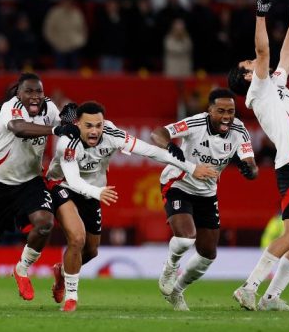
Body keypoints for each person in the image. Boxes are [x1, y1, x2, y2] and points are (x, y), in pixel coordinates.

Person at [45, 101, 214, 311]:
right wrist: (98, 192)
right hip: (64, 185)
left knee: (90, 250)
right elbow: (74, 180)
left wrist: (190, 167)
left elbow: (149, 151)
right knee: (77, 238)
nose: (95, 130)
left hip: (93, 191)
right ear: (78, 124)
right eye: (89, 126)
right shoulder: (67, 143)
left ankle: (62, 272)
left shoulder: (112, 133)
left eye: (98, 125)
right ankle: (71, 298)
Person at [227, 0, 289, 311]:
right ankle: (249, 287)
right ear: (245, 77)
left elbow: (286, 55)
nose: (254, 62)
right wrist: (260, 16)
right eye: (249, 64)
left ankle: (271, 297)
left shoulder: (274, 83)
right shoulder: (257, 89)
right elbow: (265, 52)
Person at [0, 72, 80, 310]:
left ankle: (21, 269)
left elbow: (65, 124)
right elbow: (19, 129)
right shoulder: (10, 109)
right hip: (0, 183)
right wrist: (54, 130)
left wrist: (71, 120)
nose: (34, 96)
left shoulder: (49, 108)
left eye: (39, 91)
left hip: (30, 180)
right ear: (18, 93)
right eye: (29, 91)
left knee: (45, 224)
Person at [151, 88, 258, 311]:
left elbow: (251, 164)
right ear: (210, 110)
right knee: (186, 237)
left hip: (207, 193)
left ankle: (177, 292)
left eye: (231, 111)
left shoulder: (240, 131)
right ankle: (170, 268)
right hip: (178, 184)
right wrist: (170, 145)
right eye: (221, 110)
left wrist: (249, 170)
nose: (227, 116)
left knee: (208, 253)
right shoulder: (196, 124)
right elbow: (157, 133)